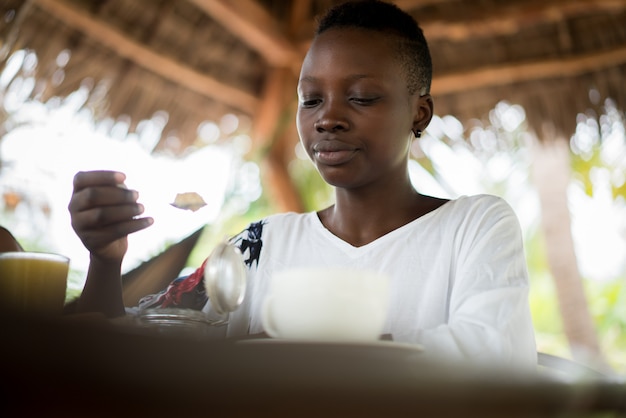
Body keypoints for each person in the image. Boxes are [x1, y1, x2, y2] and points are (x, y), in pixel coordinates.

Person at [68, 0, 536, 367]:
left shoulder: (473, 226)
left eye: (362, 97)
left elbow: (493, 356)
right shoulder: (259, 245)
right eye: (311, 99)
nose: (328, 118)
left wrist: (288, 358)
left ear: (420, 113)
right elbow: (139, 347)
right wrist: (106, 263)